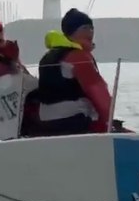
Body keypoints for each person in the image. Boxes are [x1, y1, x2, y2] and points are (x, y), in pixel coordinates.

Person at [35, 8, 118, 136]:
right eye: (85, 27)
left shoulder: (47, 58)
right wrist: (109, 123)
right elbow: (100, 95)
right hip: (75, 124)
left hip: (46, 125)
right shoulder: (78, 56)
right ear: (71, 33)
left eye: (91, 28)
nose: (90, 31)